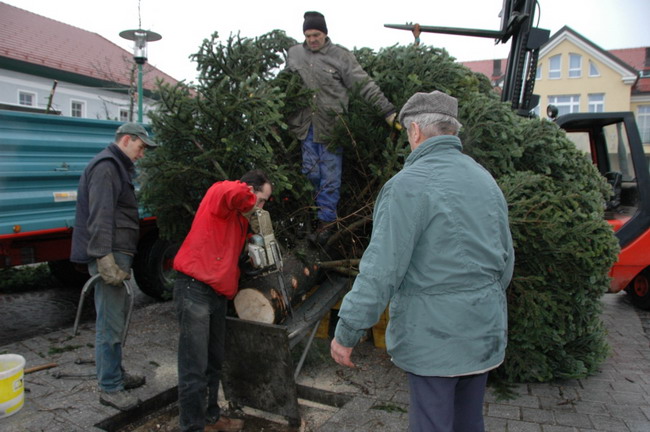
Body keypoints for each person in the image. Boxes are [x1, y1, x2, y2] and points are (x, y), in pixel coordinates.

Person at [330, 91, 515, 431]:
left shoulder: (406, 187)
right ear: (452, 130)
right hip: (484, 330)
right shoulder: (485, 180)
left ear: (414, 130)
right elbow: (506, 263)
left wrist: (347, 331)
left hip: (435, 338)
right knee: (469, 422)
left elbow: (381, 271)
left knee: (431, 424)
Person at [172, 170, 272, 432]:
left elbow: (225, 255)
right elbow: (233, 192)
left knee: (214, 362)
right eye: (261, 200)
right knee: (194, 367)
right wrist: (252, 201)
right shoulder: (221, 193)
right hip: (194, 288)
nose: (260, 207)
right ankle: (191, 427)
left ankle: (210, 419)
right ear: (250, 190)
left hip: (216, 294)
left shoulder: (238, 221)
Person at [286, 11, 398, 243]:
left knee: (329, 178)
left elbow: (364, 85)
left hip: (332, 129)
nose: (312, 39)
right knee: (309, 173)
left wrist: (388, 111)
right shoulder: (295, 54)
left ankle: (326, 224)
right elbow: (284, 84)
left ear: (325, 33)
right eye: (307, 35)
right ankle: (309, 220)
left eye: (316, 34)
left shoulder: (341, 57)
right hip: (305, 126)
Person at [71, 122, 157, 411]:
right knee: (109, 323)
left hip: (118, 252)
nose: (141, 153)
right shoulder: (107, 166)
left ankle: (115, 374)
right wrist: (103, 257)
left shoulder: (116, 167)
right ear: (126, 140)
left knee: (116, 319)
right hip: (109, 255)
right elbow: (99, 215)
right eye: (140, 147)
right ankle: (109, 387)